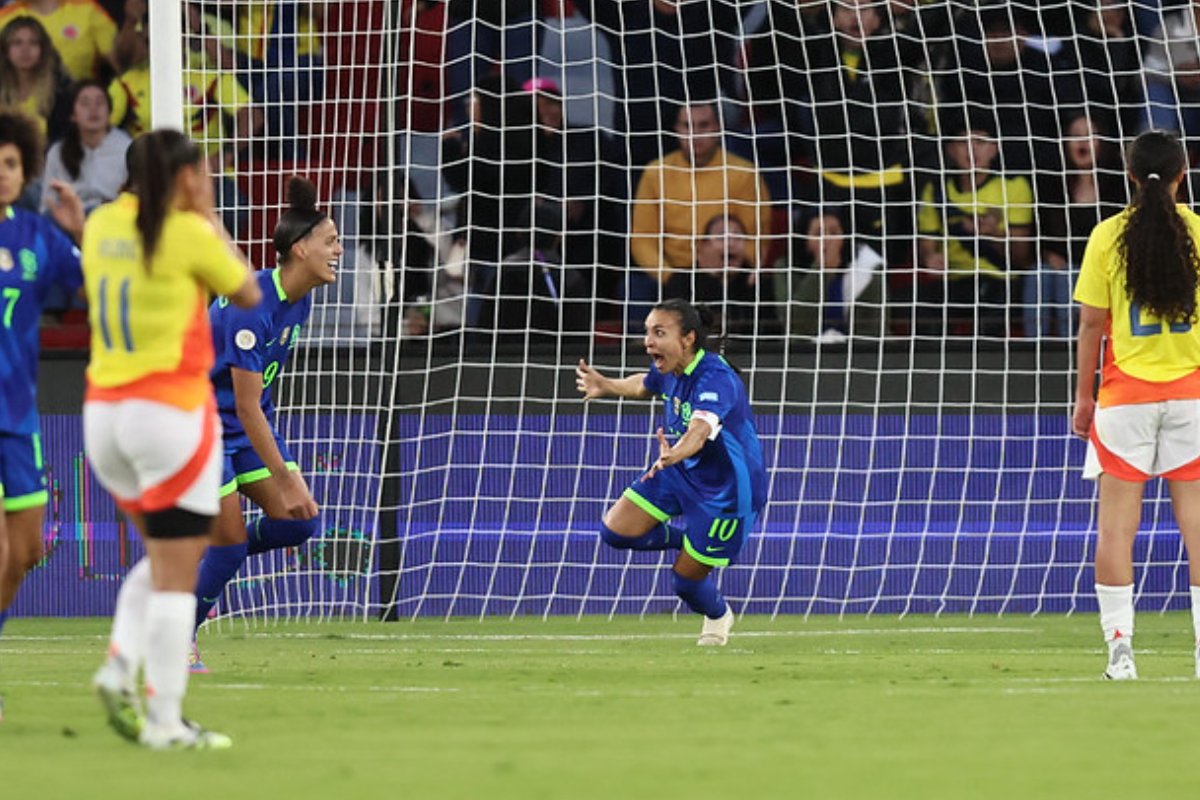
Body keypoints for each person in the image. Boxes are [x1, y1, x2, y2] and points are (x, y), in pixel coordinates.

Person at [83, 129, 261, 749]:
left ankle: (119, 665)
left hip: (103, 414)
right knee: (179, 568)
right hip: (167, 414)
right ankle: (162, 720)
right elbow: (247, 290)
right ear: (182, 178)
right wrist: (209, 218)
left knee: (165, 557)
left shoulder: (100, 224)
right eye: (201, 173)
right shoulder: (185, 231)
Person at [189, 177, 341, 672]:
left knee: (299, 523)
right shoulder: (251, 308)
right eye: (331, 241)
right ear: (300, 249)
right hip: (202, 425)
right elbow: (249, 406)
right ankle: (176, 635)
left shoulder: (300, 299)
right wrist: (287, 474)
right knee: (232, 544)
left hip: (240, 424)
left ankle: (207, 555)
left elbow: (254, 406)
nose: (339, 249)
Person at [1072, 129, 1200, 681]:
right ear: (1181, 174)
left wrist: (1083, 397)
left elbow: (1092, 325)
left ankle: (1120, 649)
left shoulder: (1107, 235)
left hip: (1124, 397)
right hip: (1193, 394)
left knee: (1116, 529)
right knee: (1196, 525)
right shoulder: (1198, 231)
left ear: (1128, 174)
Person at [574, 299, 767, 646]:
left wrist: (677, 452)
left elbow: (700, 428)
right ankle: (690, 541)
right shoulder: (669, 371)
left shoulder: (715, 377)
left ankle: (719, 614)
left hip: (725, 492)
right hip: (680, 471)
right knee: (616, 532)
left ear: (688, 338)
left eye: (659, 333)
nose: (648, 341)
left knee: (685, 583)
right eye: (648, 332)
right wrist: (606, 386)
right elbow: (643, 385)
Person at [0, 108, 84, 654]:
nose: (0, 171)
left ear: (26, 170)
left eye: (9, 162)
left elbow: (91, 291)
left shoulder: (37, 235)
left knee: (27, 549)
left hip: (18, 415)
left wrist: (80, 233)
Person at [628, 102, 771, 325]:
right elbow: (642, 239)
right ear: (676, 129)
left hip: (725, 271)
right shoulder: (656, 173)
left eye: (703, 125)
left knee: (756, 284)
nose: (695, 134)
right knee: (632, 285)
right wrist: (668, 275)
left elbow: (757, 237)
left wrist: (728, 266)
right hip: (671, 272)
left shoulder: (743, 173)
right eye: (687, 126)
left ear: (718, 128)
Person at [41, 79, 131, 214]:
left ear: (109, 111)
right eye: (85, 103)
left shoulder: (126, 147)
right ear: (72, 114)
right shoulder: (57, 152)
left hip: (112, 216)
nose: (93, 109)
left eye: (100, 103)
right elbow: (48, 203)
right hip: (70, 217)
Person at [0, 0, 117, 82]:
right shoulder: (4, 17)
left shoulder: (87, 9)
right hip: (16, 110)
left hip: (78, 108)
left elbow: (121, 64)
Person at [0, 16, 71, 142]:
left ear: (43, 50)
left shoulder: (60, 89)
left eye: (33, 43)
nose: (25, 50)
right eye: (17, 43)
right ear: (5, 50)